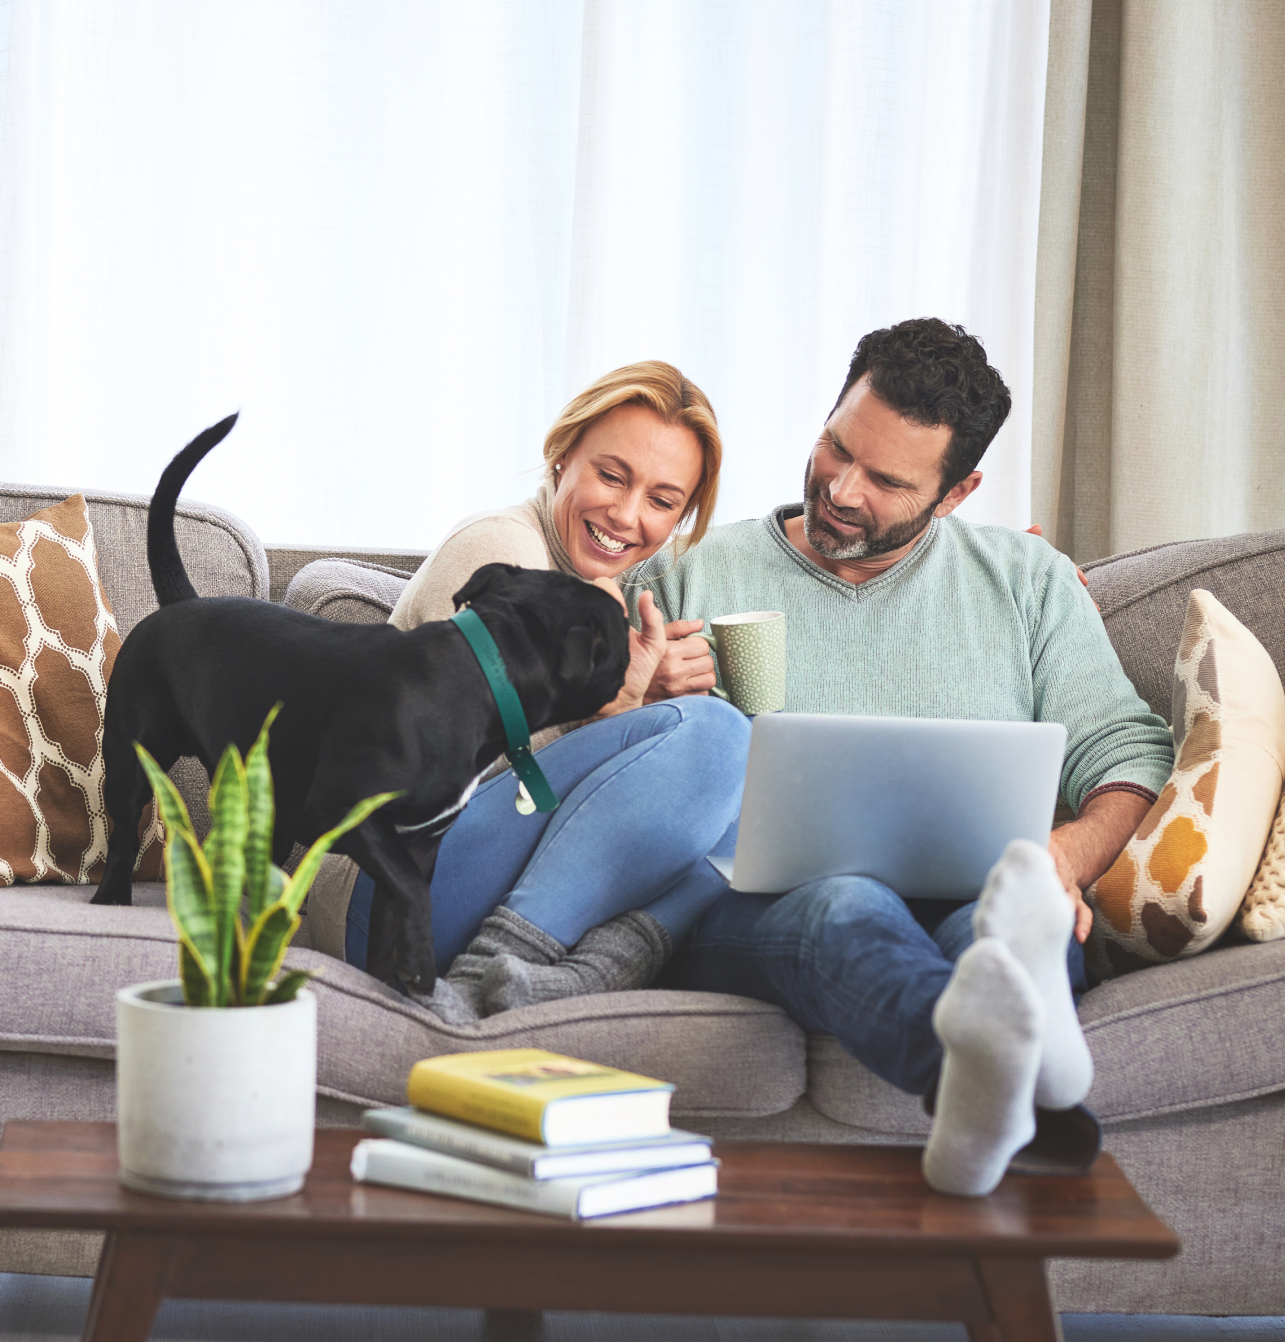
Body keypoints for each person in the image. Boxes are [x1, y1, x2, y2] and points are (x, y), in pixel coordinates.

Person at [635, 318, 1175, 1196]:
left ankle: (990, 1081)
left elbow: (1128, 748)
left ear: (957, 490)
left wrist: (1061, 863)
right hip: (759, 911)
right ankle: (1021, 1075)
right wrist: (646, 704)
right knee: (845, 901)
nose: (843, 489)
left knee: (1001, 938)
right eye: (836, 447)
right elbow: (607, 769)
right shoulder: (693, 571)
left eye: (887, 480)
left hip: (973, 896)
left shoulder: (1026, 582)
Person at [333, 362, 752, 1023]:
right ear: (563, 456)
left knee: (739, 818)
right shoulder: (505, 554)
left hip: (451, 886)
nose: (626, 513)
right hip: (386, 892)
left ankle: (579, 975)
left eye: (662, 501)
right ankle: (487, 977)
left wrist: (630, 717)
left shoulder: (602, 597)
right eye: (611, 476)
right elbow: (453, 774)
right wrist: (617, 717)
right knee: (720, 734)